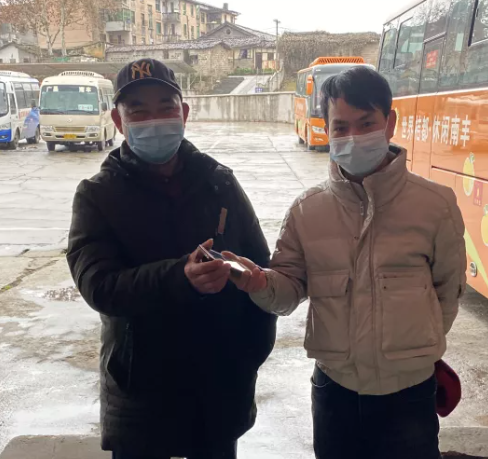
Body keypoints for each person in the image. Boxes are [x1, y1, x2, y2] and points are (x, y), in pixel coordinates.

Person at [225, 66, 467, 459]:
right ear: (327, 129)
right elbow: (288, 290)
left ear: (390, 123)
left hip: (409, 394)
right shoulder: (307, 211)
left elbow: (448, 292)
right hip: (335, 392)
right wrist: (259, 283)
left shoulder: (435, 205)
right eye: (341, 127)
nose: (353, 137)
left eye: (366, 123)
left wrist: (413, 349)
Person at [67, 58, 276, 459]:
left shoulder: (220, 182)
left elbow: (259, 269)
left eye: (166, 108)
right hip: (140, 391)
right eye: (139, 111)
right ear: (118, 120)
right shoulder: (97, 195)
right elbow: (99, 286)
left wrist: (249, 353)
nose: (155, 120)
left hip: (216, 386)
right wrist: (179, 277)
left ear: (184, 113)